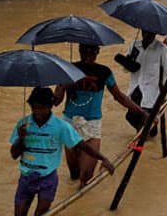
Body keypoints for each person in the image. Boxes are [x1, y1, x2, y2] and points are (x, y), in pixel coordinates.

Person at [10, 87, 114, 216]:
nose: (37, 112)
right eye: (34, 108)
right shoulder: (23, 125)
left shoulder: (61, 126)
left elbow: (82, 145)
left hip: (47, 179)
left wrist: (103, 158)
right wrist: (21, 138)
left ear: (50, 107)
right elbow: (14, 155)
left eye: (41, 108)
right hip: (26, 178)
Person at [53, 44, 145, 187]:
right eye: (85, 51)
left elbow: (119, 96)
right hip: (70, 124)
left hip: (92, 125)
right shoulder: (68, 70)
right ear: (79, 51)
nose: (88, 54)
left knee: (86, 176)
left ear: (98, 52)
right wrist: (64, 85)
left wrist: (141, 112)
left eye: (92, 51)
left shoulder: (104, 72)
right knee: (74, 174)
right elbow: (56, 102)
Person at [124, 30, 167, 137]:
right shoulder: (134, 46)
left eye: (150, 33)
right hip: (136, 88)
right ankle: (143, 132)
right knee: (131, 116)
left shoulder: (162, 49)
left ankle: (141, 137)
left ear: (155, 33)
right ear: (141, 31)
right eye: (145, 32)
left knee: (146, 123)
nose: (147, 35)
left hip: (152, 90)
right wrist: (128, 62)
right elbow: (126, 69)